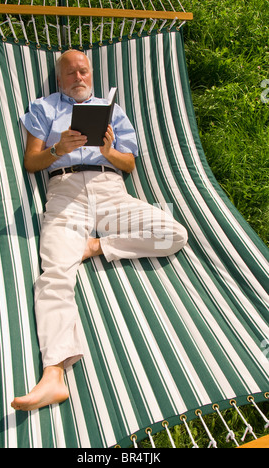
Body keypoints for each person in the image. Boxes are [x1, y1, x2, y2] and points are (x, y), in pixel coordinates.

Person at [11, 50, 187, 412]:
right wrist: (58, 148)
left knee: (173, 233)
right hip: (65, 193)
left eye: (83, 71)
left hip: (112, 192)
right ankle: (54, 374)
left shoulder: (112, 112)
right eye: (70, 73)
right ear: (60, 81)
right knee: (54, 274)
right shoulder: (43, 109)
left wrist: (108, 151)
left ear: (91, 74)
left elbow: (130, 163)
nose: (78, 77)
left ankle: (97, 247)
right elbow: (32, 162)